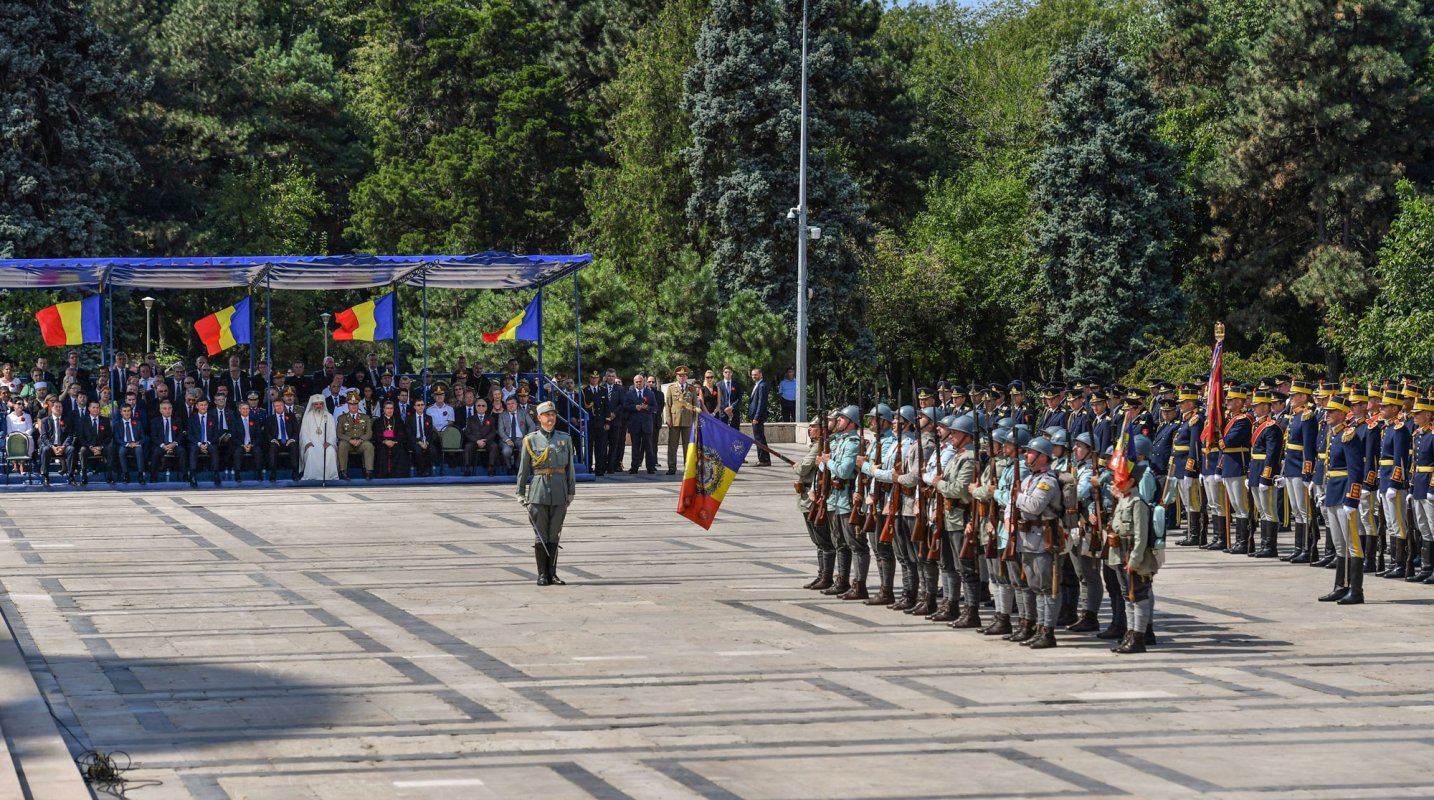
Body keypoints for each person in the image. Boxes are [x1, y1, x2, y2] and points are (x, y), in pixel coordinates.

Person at [516, 401, 577, 586]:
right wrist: (520, 492)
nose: (551, 418)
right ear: (539, 418)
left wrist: (571, 491)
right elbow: (523, 469)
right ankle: (542, 574)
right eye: (547, 415)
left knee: (555, 534)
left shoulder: (565, 439)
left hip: (559, 490)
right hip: (539, 491)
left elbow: (570, 468)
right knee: (540, 534)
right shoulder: (530, 440)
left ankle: (553, 573)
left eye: (553, 415)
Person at [1014, 436, 1064, 649]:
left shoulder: (1047, 481)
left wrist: (1018, 497)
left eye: (1030, 452)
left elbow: (1034, 506)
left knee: (1047, 588)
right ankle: (1039, 627)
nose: (1026, 455)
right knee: (1035, 587)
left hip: (1044, 539)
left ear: (1042, 457)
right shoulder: (1030, 479)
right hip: (1028, 539)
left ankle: (1047, 631)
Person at [1108, 454, 1161, 654]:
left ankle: (1139, 636)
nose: (1117, 481)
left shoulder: (1137, 502)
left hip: (1133, 553)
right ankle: (1129, 633)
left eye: (1121, 478)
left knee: (1138, 595)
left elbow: (1141, 535)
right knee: (1127, 596)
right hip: (1120, 551)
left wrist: (1135, 560)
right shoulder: (1125, 499)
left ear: (1131, 481)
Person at [664, 367, 701, 475]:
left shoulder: (691, 388)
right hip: (674, 420)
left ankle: (688, 467)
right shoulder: (671, 388)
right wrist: (668, 419)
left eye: (684, 375)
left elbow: (695, 405)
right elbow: (668, 405)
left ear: (687, 377)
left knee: (688, 446)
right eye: (680, 375)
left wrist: (696, 421)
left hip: (687, 420)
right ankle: (672, 467)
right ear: (676, 377)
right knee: (672, 445)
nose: (682, 377)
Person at [298, 394, 339, 481]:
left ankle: (330, 476)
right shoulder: (307, 417)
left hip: (325, 444)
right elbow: (303, 433)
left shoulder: (329, 416)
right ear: (312, 405)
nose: (318, 406)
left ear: (323, 404)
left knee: (331, 451)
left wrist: (329, 442)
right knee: (310, 451)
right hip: (312, 444)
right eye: (316, 404)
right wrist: (307, 443)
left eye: (320, 404)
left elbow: (333, 433)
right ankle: (311, 476)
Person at [336, 390, 375, 480]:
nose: (353, 406)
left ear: (358, 405)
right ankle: (343, 472)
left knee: (369, 446)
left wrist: (361, 440)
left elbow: (369, 433)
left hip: (361, 442)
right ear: (348, 405)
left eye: (355, 404)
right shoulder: (342, 418)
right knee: (342, 445)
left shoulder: (365, 417)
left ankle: (368, 471)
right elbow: (339, 433)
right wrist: (350, 440)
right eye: (351, 404)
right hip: (348, 443)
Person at [624, 373, 657, 474]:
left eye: (640, 381)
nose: (638, 383)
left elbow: (655, 407)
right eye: (636, 382)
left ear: (644, 382)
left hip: (646, 424)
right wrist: (635, 407)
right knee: (635, 447)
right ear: (634, 383)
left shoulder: (650, 393)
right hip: (635, 424)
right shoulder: (629, 394)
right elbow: (625, 406)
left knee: (649, 447)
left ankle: (650, 467)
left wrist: (647, 407)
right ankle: (634, 467)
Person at [37, 399, 74, 486]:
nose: (58, 408)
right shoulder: (45, 420)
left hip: (63, 446)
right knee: (45, 449)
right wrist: (52, 446)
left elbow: (70, 435)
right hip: (51, 446)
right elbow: (44, 436)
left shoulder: (67, 420)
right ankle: (45, 477)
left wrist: (63, 446)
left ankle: (71, 476)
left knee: (71, 449)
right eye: (56, 407)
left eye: (60, 407)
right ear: (52, 408)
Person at [187, 397, 222, 487]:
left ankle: (216, 473)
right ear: (197, 406)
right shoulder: (192, 418)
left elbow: (216, 434)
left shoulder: (213, 418)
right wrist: (199, 444)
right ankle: (193, 474)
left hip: (209, 442)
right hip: (196, 443)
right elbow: (189, 435)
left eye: (205, 405)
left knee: (214, 449)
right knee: (193, 449)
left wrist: (208, 443)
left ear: (207, 406)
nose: (203, 407)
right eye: (201, 405)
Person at [77, 400, 114, 485]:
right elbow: (80, 437)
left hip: (101, 447)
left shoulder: (105, 420)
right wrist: (90, 447)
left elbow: (109, 437)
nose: (96, 409)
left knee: (110, 449)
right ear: (89, 408)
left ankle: (110, 477)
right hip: (88, 447)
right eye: (93, 407)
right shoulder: (83, 420)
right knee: (82, 451)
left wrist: (101, 447)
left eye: (97, 407)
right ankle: (84, 477)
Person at [264, 399, 301, 481]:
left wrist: (292, 439)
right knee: (272, 447)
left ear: (284, 406)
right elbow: (267, 433)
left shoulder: (291, 417)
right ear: (274, 407)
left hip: (289, 440)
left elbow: (296, 431)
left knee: (294, 446)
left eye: (280, 405)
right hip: (276, 441)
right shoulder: (270, 419)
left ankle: (295, 472)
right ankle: (273, 472)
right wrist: (272, 439)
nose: (279, 407)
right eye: (276, 406)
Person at [462, 397, 499, 476]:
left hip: (487, 441)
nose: (481, 407)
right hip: (475, 441)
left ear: (486, 408)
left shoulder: (491, 418)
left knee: (494, 446)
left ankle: (491, 468)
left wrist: (485, 440)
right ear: (476, 407)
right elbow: (468, 433)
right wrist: (477, 441)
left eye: (483, 405)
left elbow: (493, 432)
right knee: (467, 446)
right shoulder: (470, 419)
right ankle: (467, 469)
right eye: (479, 405)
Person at [150, 400, 185, 481]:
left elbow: (180, 435)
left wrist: (174, 444)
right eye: (165, 408)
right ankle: (153, 478)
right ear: (160, 410)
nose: (167, 410)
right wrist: (164, 446)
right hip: (161, 445)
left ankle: (184, 477)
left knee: (182, 451)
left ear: (172, 409)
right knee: (155, 453)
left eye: (169, 408)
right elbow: (154, 437)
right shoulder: (155, 421)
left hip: (174, 445)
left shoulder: (177, 420)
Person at [374, 401, 409, 478]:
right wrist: (385, 441)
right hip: (383, 443)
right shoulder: (378, 421)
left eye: (391, 408)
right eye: (387, 408)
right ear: (384, 409)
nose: (389, 410)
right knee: (381, 451)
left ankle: (398, 476)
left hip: (396, 443)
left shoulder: (399, 421)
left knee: (401, 451)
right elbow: (376, 435)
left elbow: (402, 434)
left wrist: (394, 441)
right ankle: (382, 476)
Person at [113, 403, 145, 484]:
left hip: (136, 444)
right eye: (124, 411)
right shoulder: (117, 424)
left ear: (131, 412)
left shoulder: (138, 423)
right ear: (121, 412)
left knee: (139, 450)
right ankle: (125, 475)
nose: (126, 413)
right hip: (124, 445)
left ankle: (141, 475)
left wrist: (137, 443)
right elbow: (117, 439)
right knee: (121, 451)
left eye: (128, 411)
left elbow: (143, 437)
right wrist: (128, 444)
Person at [408, 397, 439, 477]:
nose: (420, 407)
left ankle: (427, 469)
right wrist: (419, 442)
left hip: (426, 441)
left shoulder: (428, 418)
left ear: (424, 406)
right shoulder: (409, 418)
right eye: (418, 405)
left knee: (433, 451)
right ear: (414, 407)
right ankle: (421, 470)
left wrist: (427, 442)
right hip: (415, 441)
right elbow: (409, 434)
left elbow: (430, 433)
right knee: (418, 451)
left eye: (422, 405)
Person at [6, 398, 34, 478]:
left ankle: (22, 464)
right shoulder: (9, 417)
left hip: (25, 436)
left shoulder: (27, 416)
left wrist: (23, 435)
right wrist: (16, 435)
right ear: (14, 405)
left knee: (28, 439)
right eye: (19, 404)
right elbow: (9, 430)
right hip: (13, 436)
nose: (21, 405)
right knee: (10, 439)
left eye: (22, 404)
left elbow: (30, 429)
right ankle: (14, 463)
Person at [748, 367, 771, 466]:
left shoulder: (762, 385)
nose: (754, 376)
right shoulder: (757, 385)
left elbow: (762, 403)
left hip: (758, 417)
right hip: (754, 416)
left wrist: (756, 417)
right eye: (752, 375)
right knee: (759, 438)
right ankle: (764, 459)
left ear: (761, 375)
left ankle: (763, 460)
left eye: (756, 374)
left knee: (759, 439)